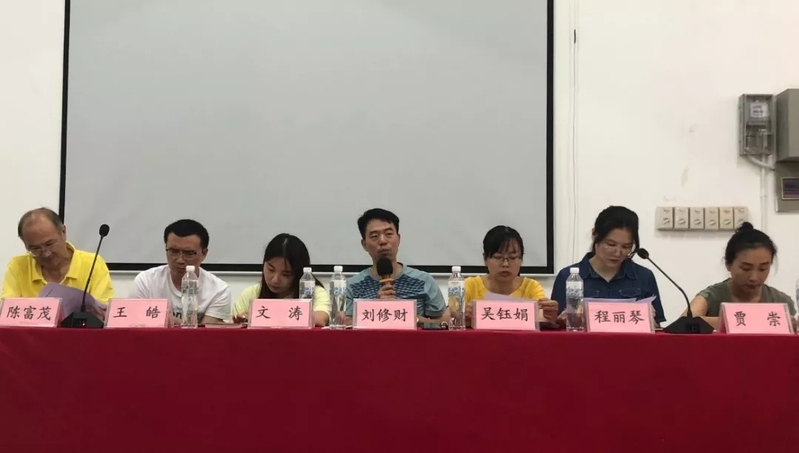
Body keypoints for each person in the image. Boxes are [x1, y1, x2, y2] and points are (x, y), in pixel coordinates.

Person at [551, 206, 666, 325]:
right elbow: (555, 326)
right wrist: (562, 321)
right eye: (611, 244)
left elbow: (658, 328)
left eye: (626, 247)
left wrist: (651, 321)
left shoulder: (644, 277)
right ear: (595, 235)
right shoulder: (567, 276)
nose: (618, 253)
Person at [685, 222, 796, 330]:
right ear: (728, 264)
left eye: (763, 269)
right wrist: (748, 322)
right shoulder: (712, 297)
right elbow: (684, 324)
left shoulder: (781, 301)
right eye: (746, 268)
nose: (754, 277)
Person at [344, 208, 446, 322]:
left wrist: (406, 317)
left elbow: (442, 323)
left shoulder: (424, 281)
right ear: (364, 244)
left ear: (398, 239)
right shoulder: (353, 286)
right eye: (374, 236)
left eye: (388, 234)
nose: (382, 241)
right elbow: (345, 324)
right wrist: (376, 310)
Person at [1, 208, 114, 304]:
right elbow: (6, 310)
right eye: (35, 249)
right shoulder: (18, 266)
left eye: (49, 244)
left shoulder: (93, 264)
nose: (46, 253)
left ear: (63, 232)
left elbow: (103, 311)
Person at [129, 219, 230, 324]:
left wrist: (171, 322)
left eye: (189, 253)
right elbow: (135, 324)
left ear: (204, 253)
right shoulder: (145, 282)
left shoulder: (219, 290)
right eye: (173, 251)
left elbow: (204, 332)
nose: (180, 260)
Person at [454, 225, 558, 326]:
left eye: (512, 258)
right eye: (498, 257)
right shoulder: (470, 285)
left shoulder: (531, 287)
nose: (505, 264)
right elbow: (447, 317)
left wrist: (550, 315)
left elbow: (541, 318)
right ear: (485, 259)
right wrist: (460, 315)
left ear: (521, 259)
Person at [232, 233, 331, 326]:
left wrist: (262, 315)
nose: (275, 280)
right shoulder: (251, 293)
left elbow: (320, 319)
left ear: (298, 274)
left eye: (285, 274)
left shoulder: (314, 292)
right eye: (270, 270)